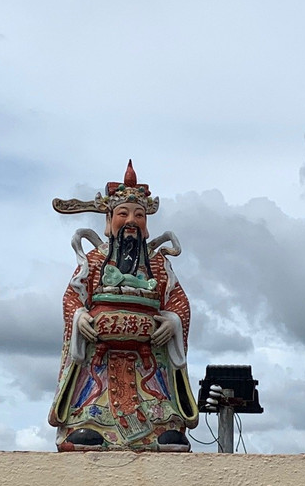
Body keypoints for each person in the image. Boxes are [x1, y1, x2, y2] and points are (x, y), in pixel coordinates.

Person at [49, 161, 198, 451]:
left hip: (148, 355)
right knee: (94, 400)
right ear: (109, 221)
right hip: (100, 357)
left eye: (139, 215)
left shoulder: (157, 263)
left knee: (157, 402)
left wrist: (173, 321)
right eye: (123, 213)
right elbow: (72, 297)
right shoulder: (93, 261)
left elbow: (178, 301)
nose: (131, 220)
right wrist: (79, 316)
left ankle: (162, 428)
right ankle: (90, 425)